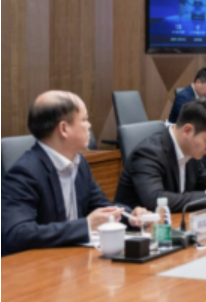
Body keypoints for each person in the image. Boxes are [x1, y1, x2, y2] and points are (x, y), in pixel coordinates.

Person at [1, 91, 148, 257]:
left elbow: (101, 207)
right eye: (84, 120)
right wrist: (86, 225)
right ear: (64, 129)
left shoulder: (79, 163)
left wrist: (131, 216)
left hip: (72, 259)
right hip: (37, 265)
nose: (89, 125)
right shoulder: (25, 173)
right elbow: (17, 234)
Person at [115, 100, 206, 213]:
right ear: (187, 130)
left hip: (176, 219)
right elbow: (154, 199)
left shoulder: (192, 150)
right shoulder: (148, 153)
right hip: (139, 222)